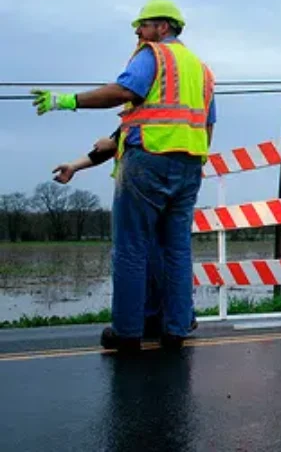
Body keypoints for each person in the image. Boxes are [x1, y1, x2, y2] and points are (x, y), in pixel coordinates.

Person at [32, 0, 216, 352]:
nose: (137, 31)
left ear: (163, 27)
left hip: (148, 160)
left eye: (143, 24)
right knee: (176, 250)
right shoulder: (202, 71)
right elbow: (206, 124)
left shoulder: (154, 55)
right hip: (190, 165)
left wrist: (67, 101)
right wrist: (195, 161)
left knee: (132, 247)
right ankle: (175, 328)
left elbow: (124, 91)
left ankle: (128, 331)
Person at [52, 128, 199, 337]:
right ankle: (174, 319)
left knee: (145, 257)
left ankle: (145, 323)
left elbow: (108, 147)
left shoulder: (141, 118)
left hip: (144, 189)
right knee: (165, 258)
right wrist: (75, 166)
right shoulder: (150, 120)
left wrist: (108, 145)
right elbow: (106, 148)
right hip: (169, 180)